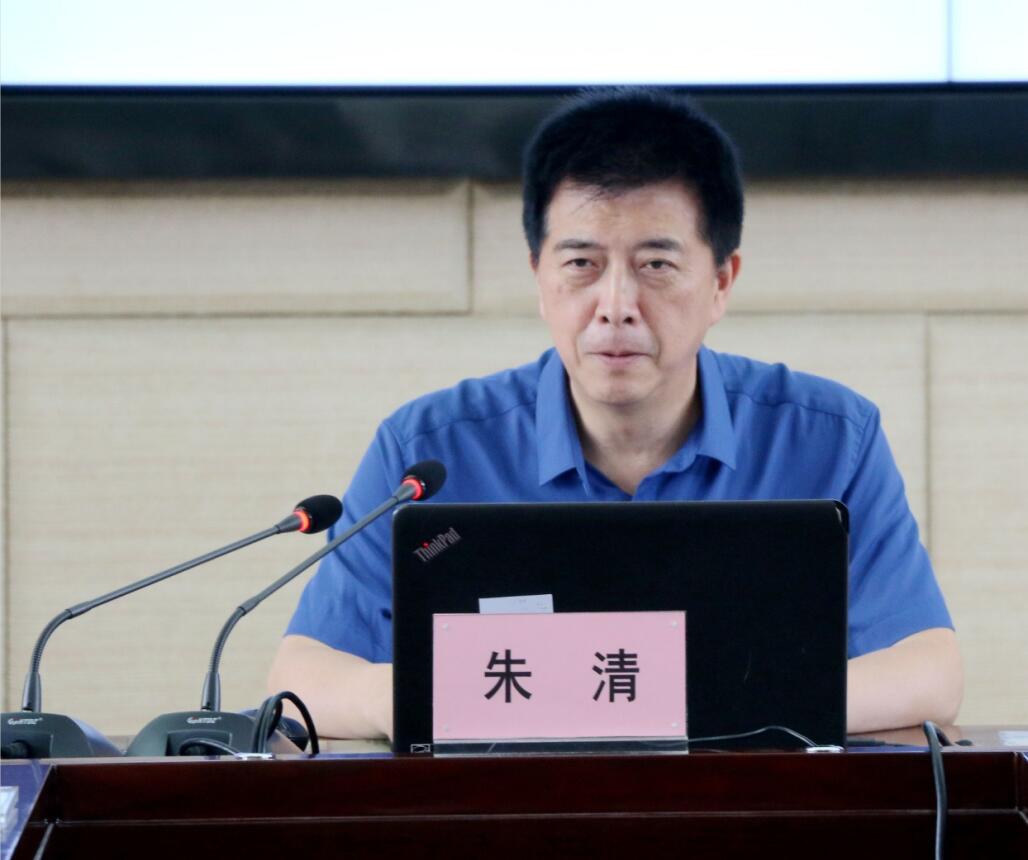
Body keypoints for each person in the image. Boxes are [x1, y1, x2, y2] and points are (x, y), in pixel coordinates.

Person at [268, 89, 962, 739]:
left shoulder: (828, 439)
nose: (616, 305)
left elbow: (929, 670)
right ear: (540, 277)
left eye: (656, 264)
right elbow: (302, 677)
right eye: (582, 264)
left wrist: (698, 701)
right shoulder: (429, 455)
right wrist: (429, 697)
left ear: (721, 282)